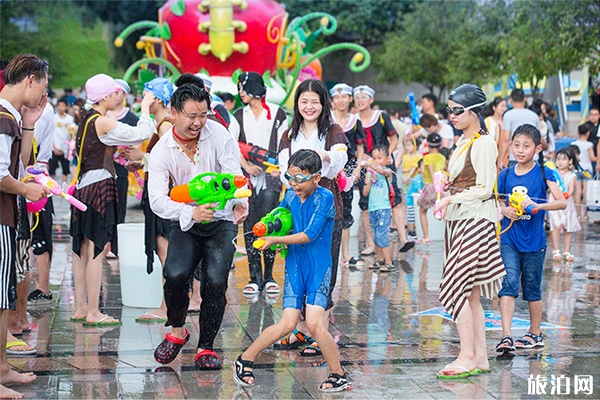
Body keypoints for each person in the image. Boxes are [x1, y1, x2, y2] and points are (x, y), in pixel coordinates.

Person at [232, 149, 350, 393]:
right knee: (287, 324)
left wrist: (275, 241)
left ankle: (338, 373)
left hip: (318, 268)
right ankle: (244, 360)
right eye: (290, 177)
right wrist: (267, 226)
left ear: (316, 178)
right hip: (295, 267)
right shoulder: (291, 196)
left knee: (316, 324)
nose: (294, 184)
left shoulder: (325, 197)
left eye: (300, 178)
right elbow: (280, 216)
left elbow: (310, 234)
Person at [148, 84, 248, 370]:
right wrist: (190, 212)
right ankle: (177, 331)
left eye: (203, 115)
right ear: (173, 112)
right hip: (185, 221)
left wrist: (239, 200)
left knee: (216, 281)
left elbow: (233, 173)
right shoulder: (161, 151)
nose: (198, 122)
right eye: (191, 115)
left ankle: (206, 347)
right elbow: (156, 200)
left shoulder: (218, 133)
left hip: (221, 221)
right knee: (176, 274)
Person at [433, 84, 506, 378]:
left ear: (475, 112)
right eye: (449, 110)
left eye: (457, 110)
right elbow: (467, 180)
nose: (451, 115)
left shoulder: (484, 143)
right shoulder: (463, 141)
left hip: (476, 221)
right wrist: (447, 183)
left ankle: (467, 355)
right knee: (471, 294)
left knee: (453, 288)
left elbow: (485, 188)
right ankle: (480, 358)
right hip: (461, 219)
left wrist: (451, 197)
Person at [70, 74, 155, 325]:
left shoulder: (85, 119)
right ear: (106, 96)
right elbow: (141, 132)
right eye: (115, 92)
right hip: (99, 188)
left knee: (82, 250)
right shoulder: (104, 122)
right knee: (97, 249)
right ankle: (94, 312)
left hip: (83, 187)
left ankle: (81, 308)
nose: (119, 96)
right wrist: (146, 107)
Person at [276, 79, 348, 356]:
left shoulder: (333, 131)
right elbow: (285, 169)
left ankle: (319, 331)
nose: (309, 106)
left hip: (327, 209)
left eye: (315, 102)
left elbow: (338, 163)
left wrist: (322, 155)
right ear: (297, 104)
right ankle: (302, 328)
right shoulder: (288, 133)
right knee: (299, 266)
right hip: (296, 209)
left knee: (323, 268)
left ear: (323, 104)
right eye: (304, 101)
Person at [0, 53, 50, 399]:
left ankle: (2, 367)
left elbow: (19, 163)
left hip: (6, 214)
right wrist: (26, 189)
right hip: (0, 215)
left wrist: (30, 121)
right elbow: (4, 175)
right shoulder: (2, 118)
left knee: (3, 296)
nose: (44, 96)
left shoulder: (13, 118)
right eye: (43, 87)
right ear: (30, 79)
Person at [495, 123, 566, 353]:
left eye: (526, 146)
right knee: (509, 283)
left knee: (532, 288)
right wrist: (504, 211)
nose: (520, 150)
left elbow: (562, 201)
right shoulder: (505, 174)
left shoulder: (546, 173)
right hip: (509, 239)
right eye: (516, 145)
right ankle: (506, 336)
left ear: (538, 148)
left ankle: (535, 333)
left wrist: (537, 205)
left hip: (535, 242)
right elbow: (496, 200)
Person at [123, 78, 175, 323]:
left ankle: (167, 307)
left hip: (161, 197)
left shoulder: (164, 125)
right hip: (160, 194)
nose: (142, 99)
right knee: (166, 251)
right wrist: (142, 161)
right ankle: (172, 304)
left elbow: (171, 162)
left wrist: (142, 155)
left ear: (156, 98)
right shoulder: (162, 125)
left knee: (165, 252)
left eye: (145, 95)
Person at [234, 72, 288, 296]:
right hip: (248, 177)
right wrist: (246, 166)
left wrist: (279, 170)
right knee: (249, 223)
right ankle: (254, 276)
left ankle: (269, 276)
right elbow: (232, 144)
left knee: (270, 222)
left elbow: (285, 144)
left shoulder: (277, 113)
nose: (240, 93)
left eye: (243, 88)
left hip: (271, 177)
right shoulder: (238, 115)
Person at [353, 85, 397, 256]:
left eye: (364, 97)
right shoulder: (353, 120)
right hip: (364, 165)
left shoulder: (381, 117)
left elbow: (393, 138)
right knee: (365, 204)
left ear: (371, 100)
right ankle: (371, 244)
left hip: (381, 164)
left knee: (391, 200)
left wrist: (387, 156)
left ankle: (389, 244)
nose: (360, 100)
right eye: (357, 97)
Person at [330, 83, 365, 267]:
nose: (341, 100)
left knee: (345, 209)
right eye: (337, 97)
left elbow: (360, 147)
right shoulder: (327, 119)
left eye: (344, 97)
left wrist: (358, 168)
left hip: (348, 170)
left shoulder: (355, 121)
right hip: (329, 169)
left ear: (350, 99)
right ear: (332, 100)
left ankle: (345, 253)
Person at [106, 79, 138, 226]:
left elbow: (138, 139)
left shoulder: (131, 118)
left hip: (121, 167)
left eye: (120, 92)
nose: (116, 95)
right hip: (103, 167)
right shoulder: (103, 116)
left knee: (119, 207)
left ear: (125, 95)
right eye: (114, 91)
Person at [362, 145, 394, 272]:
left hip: (383, 208)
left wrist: (370, 165)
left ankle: (389, 262)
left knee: (382, 236)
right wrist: (369, 180)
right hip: (372, 209)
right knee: (375, 236)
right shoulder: (371, 174)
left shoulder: (388, 173)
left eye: (379, 158)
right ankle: (380, 260)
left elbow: (383, 171)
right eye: (374, 158)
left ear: (387, 159)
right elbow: (365, 192)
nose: (376, 160)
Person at [548, 148, 580, 261]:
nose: (560, 162)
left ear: (570, 161)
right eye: (558, 159)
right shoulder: (552, 173)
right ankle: (556, 250)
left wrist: (566, 195)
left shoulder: (572, 175)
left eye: (563, 159)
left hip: (567, 204)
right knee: (556, 225)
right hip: (553, 203)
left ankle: (566, 251)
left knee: (568, 228)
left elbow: (571, 189)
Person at [416, 132, 446, 245]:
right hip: (442, 189)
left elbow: (431, 170)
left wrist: (434, 184)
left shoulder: (427, 157)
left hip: (430, 187)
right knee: (444, 212)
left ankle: (426, 236)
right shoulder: (442, 157)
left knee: (422, 211)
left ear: (428, 145)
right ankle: (450, 236)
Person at [499, 89, 539, 170]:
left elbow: (506, 139)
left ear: (511, 99)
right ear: (525, 98)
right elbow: (538, 138)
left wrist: (501, 159)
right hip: (533, 156)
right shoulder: (534, 115)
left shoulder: (508, 115)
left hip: (515, 157)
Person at [49, 97, 75, 184]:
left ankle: (64, 189)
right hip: (54, 147)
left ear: (66, 107)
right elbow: (50, 133)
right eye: (59, 105)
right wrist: (54, 147)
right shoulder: (53, 117)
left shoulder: (70, 119)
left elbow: (72, 135)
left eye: (62, 106)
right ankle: (51, 188)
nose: (60, 108)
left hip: (66, 148)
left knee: (65, 169)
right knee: (52, 170)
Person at [401, 135, 422, 239]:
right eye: (406, 145)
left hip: (412, 181)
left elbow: (413, 169)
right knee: (404, 201)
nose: (407, 147)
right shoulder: (405, 157)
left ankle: (413, 225)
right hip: (405, 181)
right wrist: (407, 172)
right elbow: (404, 168)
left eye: (409, 145)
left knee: (411, 202)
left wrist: (408, 174)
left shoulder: (418, 156)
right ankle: (406, 221)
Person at [573, 123, 596, 221]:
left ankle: (578, 215)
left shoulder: (573, 144)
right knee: (585, 192)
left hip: (577, 169)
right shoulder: (589, 145)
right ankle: (585, 215)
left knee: (578, 192)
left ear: (578, 132)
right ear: (588, 133)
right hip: (587, 170)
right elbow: (592, 158)